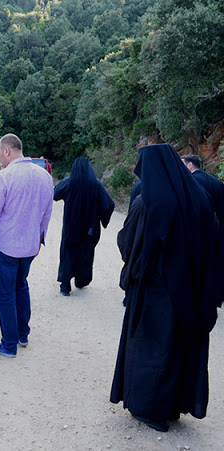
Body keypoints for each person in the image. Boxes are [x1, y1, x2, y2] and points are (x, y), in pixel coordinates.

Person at [111, 144, 220, 432]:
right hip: (191, 293)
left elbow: (127, 246)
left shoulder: (149, 202)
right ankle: (173, 406)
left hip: (154, 293)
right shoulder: (198, 198)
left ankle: (150, 410)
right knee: (177, 349)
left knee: (151, 351)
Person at [0, 134, 53, 358]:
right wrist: (40, 239)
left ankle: (9, 345)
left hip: (6, 246)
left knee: (5, 294)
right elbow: (47, 213)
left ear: (8, 151)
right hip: (29, 246)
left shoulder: (4, 177)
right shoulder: (44, 176)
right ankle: (22, 334)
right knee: (21, 286)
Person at [53, 157, 114, 296]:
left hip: (71, 228)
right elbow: (108, 205)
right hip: (89, 229)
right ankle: (81, 281)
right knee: (85, 255)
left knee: (68, 254)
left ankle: (65, 286)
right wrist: (101, 218)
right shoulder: (96, 184)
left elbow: (55, 194)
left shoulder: (68, 183)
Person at [182, 154, 224, 307]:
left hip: (201, 231)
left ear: (189, 166)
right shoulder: (215, 181)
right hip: (218, 230)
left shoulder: (192, 182)